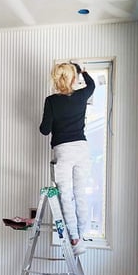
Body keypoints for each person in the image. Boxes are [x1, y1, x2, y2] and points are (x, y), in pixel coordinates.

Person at [39, 62, 95, 255]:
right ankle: (83, 234)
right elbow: (92, 85)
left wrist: (54, 119)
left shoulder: (51, 101)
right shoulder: (81, 96)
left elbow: (44, 130)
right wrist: (82, 71)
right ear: (73, 78)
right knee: (80, 193)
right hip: (82, 148)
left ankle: (74, 239)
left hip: (63, 150)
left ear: (55, 79)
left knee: (66, 195)